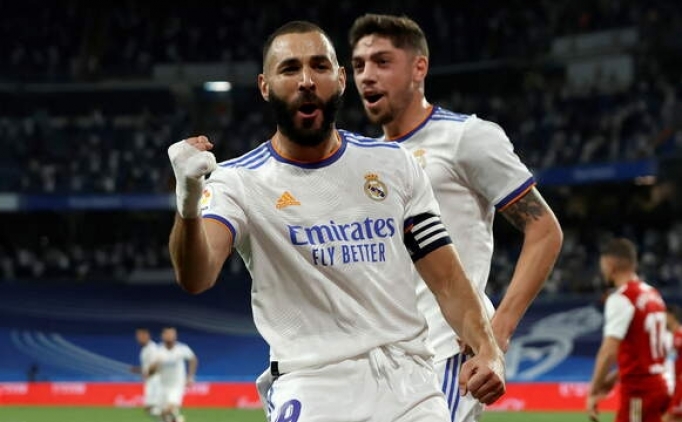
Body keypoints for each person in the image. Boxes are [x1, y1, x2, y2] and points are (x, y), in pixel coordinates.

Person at [168, 20, 505, 422]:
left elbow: (448, 280)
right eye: (290, 69)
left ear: (341, 79)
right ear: (265, 86)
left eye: (320, 66)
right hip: (312, 387)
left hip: (411, 387)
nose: (307, 80)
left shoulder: (394, 165)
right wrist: (188, 201)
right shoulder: (238, 181)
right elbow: (197, 275)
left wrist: (488, 349)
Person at [348, 13, 563, 421]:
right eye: (359, 65)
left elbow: (544, 229)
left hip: (446, 352)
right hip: (386, 358)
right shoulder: (367, 160)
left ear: (419, 68)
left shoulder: (467, 137)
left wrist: (496, 334)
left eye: (382, 61)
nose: (367, 76)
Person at [587, 238, 670, 422]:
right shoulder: (654, 295)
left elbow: (608, 351)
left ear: (610, 263)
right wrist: (615, 377)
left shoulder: (622, 298)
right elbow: (651, 353)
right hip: (660, 385)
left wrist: (593, 391)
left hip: (639, 391)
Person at [148, 327, 198, 422]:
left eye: (172, 334)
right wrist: (155, 365)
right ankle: (177, 419)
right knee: (164, 417)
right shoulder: (157, 351)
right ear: (162, 336)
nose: (170, 336)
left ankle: (174, 418)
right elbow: (150, 372)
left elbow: (193, 359)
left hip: (177, 385)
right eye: (167, 334)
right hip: (162, 385)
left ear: (175, 336)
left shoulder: (182, 348)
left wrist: (190, 376)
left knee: (168, 409)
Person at [130, 328, 161, 419]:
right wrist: (138, 370)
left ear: (146, 335)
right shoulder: (145, 349)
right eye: (137, 336)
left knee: (153, 408)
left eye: (140, 336)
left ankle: (175, 419)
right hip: (150, 381)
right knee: (150, 409)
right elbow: (148, 366)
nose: (138, 338)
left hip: (155, 381)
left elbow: (156, 364)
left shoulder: (152, 348)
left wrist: (148, 373)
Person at [666, 305, 682, 421]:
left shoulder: (680, 334)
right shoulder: (668, 336)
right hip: (674, 381)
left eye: (665, 315)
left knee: (669, 416)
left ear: (671, 317)